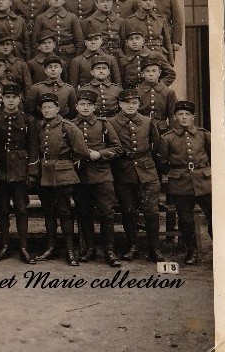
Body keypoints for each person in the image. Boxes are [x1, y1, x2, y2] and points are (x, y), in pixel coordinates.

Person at [29, 93, 93, 266]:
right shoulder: (38, 127)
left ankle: (70, 250)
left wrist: (67, 164)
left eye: (51, 107)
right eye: (44, 108)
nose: (47, 110)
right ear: (41, 110)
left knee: (64, 211)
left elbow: (82, 152)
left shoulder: (68, 127)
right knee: (48, 211)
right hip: (45, 174)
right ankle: (50, 247)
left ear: (58, 109)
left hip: (64, 174)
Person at [108, 89, 167, 262]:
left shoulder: (148, 122)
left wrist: (158, 172)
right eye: (127, 103)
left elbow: (157, 147)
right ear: (120, 104)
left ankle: (154, 248)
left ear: (139, 104)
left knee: (151, 211)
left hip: (147, 170)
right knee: (129, 211)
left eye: (134, 103)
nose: (131, 106)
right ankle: (132, 246)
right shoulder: (111, 122)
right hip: (123, 171)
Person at [71, 89, 123, 267]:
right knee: (84, 212)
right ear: (76, 106)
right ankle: (90, 248)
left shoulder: (104, 124)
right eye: (82, 104)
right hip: (80, 175)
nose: (85, 108)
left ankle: (109, 250)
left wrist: (99, 154)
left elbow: (117, 148)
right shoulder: (70, 125)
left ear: (94, 106)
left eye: (89, 105)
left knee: (107, 213)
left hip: (102, 174)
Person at [0, 84, 38, 263]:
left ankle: (23, 247)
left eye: (14, 97)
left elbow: (33, 148)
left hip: (21, 171)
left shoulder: (28, 121)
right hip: (2, 171)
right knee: (2, 209)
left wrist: (32, 173)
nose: (10, 101)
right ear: (2, 99)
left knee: (21, 209)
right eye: (7, 97)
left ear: (20, 99)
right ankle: (5, 245)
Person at [159, 101, 213, 266]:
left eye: (187, 114)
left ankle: (220, 248)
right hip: (181, 183)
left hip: (205, 181)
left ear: (193, 117)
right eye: (180, 114)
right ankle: (192, 250)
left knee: (214, 216)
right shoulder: (168, 138)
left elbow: (214, 156)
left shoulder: (204, 134)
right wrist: (175, 173)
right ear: (175, 117)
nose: (184, 117)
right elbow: (162, 162)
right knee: (185, 219)